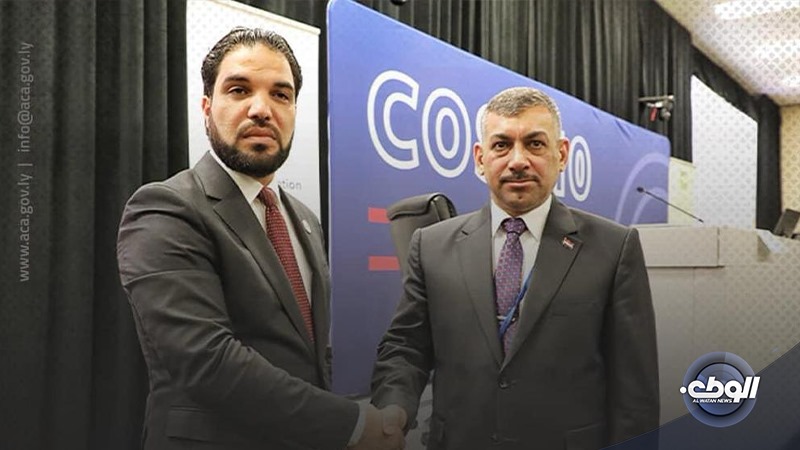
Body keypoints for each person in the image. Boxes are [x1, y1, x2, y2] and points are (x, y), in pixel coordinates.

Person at [117, 27, 404, 450]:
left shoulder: (303, 218)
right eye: (239, 90)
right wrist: (353, 425)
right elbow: (207, 361)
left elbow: (309, 354)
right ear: (207, 107)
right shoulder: (165, 208)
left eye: (280, 95)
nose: (261, 109)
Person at [370, 87, 659, 449]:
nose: (518, 160)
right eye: (502, 145)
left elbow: (635, 392)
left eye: (535, 144)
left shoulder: (613, 249)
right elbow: (405, 348)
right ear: (480, 158)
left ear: (561, 154)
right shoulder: (431, 247)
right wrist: (393, 409)